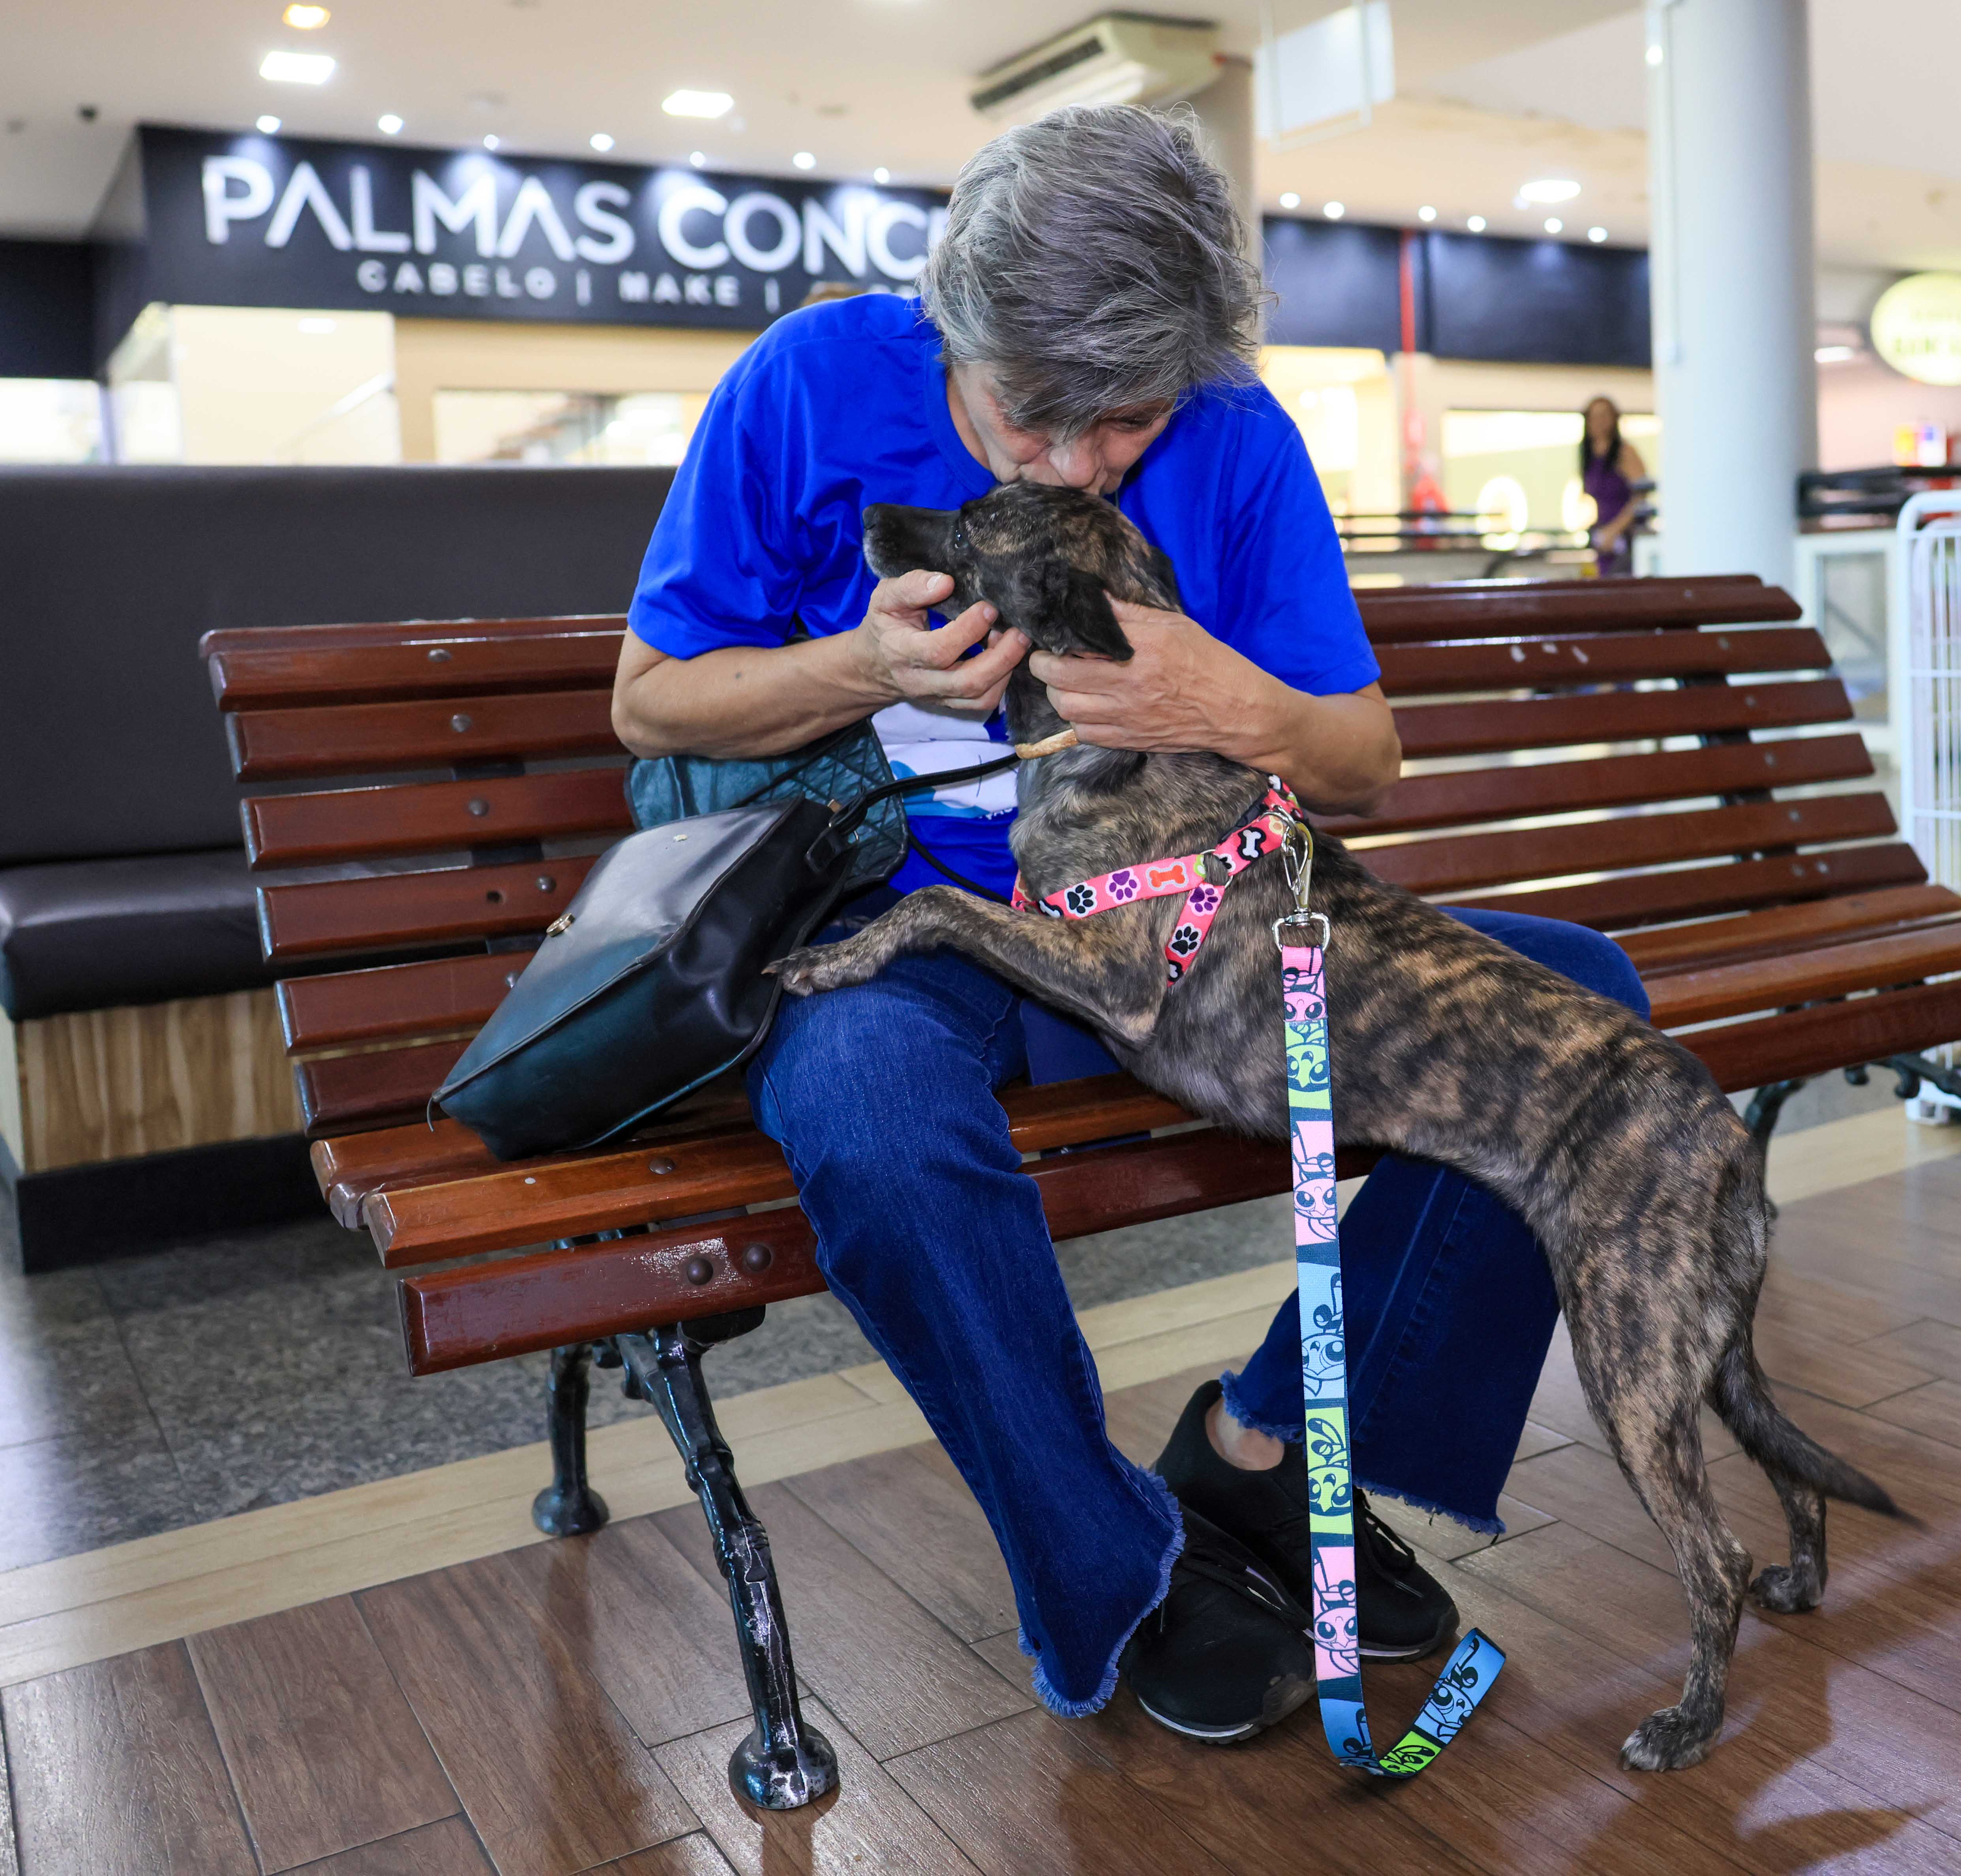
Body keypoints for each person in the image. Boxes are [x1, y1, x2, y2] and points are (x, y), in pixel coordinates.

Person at [611, 103, 1647, 1745]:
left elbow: (1361, 757)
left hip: (1182, 924)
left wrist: (1237, 700)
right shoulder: (809, 387)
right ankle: (1117, 1569)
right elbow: (651, 699)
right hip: (907, 925)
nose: (1087, 460)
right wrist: (860, 670)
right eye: (1042, 420)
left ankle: (1258, 1455)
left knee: (1582, 996)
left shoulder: (1235, 436)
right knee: (873, 1114)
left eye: (1129, 421)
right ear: (957, 329)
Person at [1578, 395, 1649, 576]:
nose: (1598, 423)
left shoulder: (1625, 453)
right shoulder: (1590, 456)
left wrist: (1615, 530)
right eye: (1593, 417)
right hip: (1605, 541)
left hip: (1626, 538)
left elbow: (1642, 495)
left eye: (1604, 416)